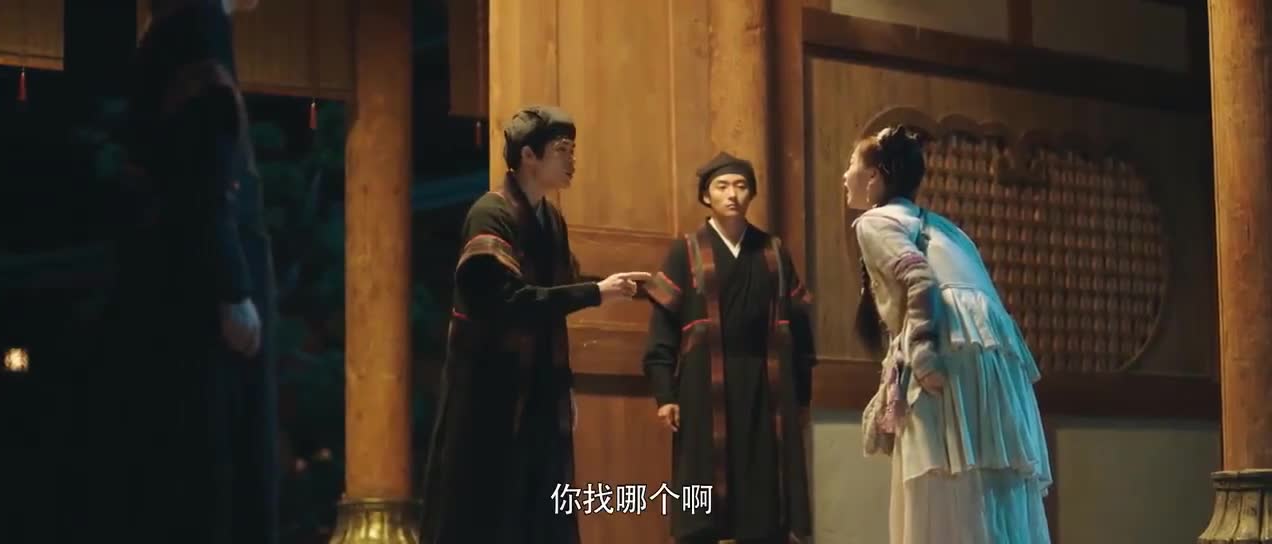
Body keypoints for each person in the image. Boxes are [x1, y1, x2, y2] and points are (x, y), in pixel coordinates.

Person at [419, 105, 650, 544]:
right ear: (528, 155)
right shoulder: (490, 214)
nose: (572, 159)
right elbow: (507, 301)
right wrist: (596, 292)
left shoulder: (551, 219)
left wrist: (563, 383)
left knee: (542, 507)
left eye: (572, 150)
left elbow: (552, 302)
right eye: (562, 150)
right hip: (489, 387)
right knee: (485, 508)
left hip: (540, 383)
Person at [93, 0, 278, 542]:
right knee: (214, 467)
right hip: (200, 292)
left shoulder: (166, 34)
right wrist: (232, 286)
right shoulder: (197, 31)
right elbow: (205, 165)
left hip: (168, 283)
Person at [845, 125, 1052, 544]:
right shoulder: (946, 228)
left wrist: (921, 354)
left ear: (874, 177)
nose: (845, 175)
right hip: (990, 356)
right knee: (990, 489)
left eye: (851, 164)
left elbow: (918, 278)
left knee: (945, 487)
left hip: (946, 346)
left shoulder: (874, 222)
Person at [642, 152, 816, 544]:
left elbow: (800, 326)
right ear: (706, 196)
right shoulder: (686, 250)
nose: (732, 194)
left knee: (765, 481)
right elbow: (663, 326)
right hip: (703, 384)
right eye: (721, 186)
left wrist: (802, 393)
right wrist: (665, 394)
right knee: (702, 481)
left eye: (740, 186)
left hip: (766, 381)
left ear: (751, 193)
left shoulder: (773, 251)